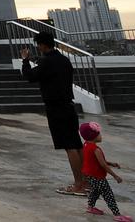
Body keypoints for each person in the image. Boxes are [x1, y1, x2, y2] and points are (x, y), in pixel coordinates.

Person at [22, 32, 86, 195]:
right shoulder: (64, 60)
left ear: (43, 45)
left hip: (56, 107)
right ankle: (87, 182)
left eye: (39, 45)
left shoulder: (47, 62)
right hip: (68, 105)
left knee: (69, 146)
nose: (38, 48)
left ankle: (79, 184)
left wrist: (25, 60)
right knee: (77, 145)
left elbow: (30, 76)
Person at [79, 122, 133, 221]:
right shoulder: (96, 149)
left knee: (95, 191)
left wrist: (111, 163)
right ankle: (117, 215)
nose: (101, 135)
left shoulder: (86, 145)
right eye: (99, 133)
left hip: (89, 175)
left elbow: (95, 160)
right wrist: (115, 176)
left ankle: (90, 208)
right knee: (108, 195)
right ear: (93, 136)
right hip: (97, 176)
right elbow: (102, 165)